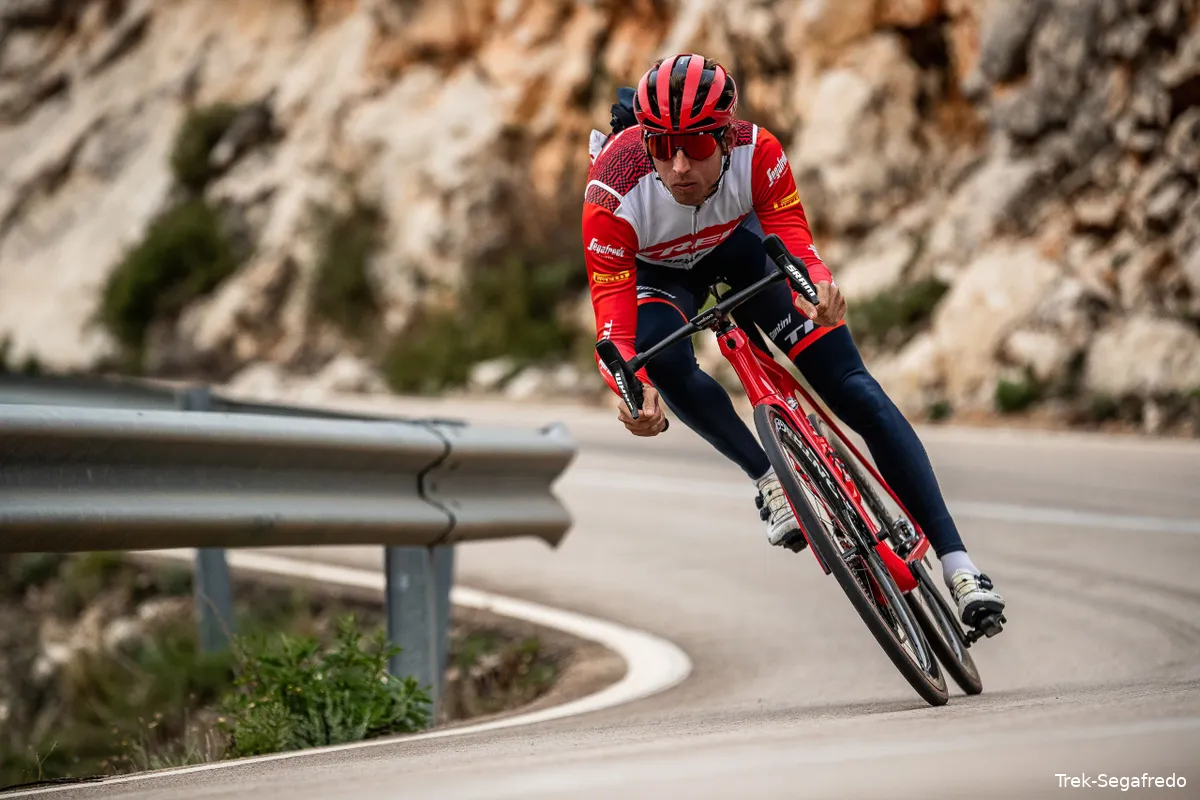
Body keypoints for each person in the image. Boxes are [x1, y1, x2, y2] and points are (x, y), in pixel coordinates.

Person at [580, 53, 1005, 628]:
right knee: (662, 359)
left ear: (725, 137)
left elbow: (795, 243)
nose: (679, 166)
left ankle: (960, 568)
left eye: (697, 146)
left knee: (855, 390)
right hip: (659, 275)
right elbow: (613, 329)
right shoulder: (611, 193)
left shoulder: (759, 151)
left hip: (739, 248)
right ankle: (768, 478)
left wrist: (819, 288)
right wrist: (631, 395)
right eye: (662, 147)